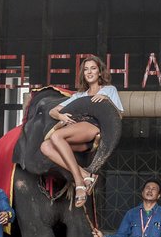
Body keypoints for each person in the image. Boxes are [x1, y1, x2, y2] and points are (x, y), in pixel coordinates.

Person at [41, 56, 124, 208]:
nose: (89, 72)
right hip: (78, 133)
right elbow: (53, 111)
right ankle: (86, 175)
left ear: (100, 72)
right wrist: (61, 116)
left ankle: (79, 182)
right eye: (86, 69)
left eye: (93, 68)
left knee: (57, 135)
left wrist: (107, 100)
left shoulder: (109, 90)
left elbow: (118, 116)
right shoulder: (79, 95)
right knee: (45, 147)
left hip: (94, 127)